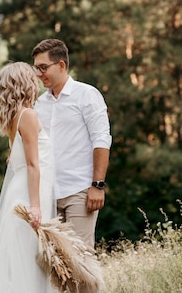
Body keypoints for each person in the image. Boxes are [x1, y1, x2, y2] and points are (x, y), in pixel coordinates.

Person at [0, 62, 57, 293]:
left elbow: (15, 160)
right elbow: (33, 165)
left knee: (23, 261)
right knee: (29, 262)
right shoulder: (28, 115)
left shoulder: (14, 117)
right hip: (30, 195)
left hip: (21, 190)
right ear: (26, 84)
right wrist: (35, 207)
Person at [31, 39, 112, 255]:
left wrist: (97, 185)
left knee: (80, 261)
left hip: (80, 191)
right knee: (56, 264)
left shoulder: (87, 95)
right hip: (48, 194)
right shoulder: (39, 104)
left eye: (43, 67)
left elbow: (101, 140)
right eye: (36, 68)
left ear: (61, 65)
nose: (39, 74)